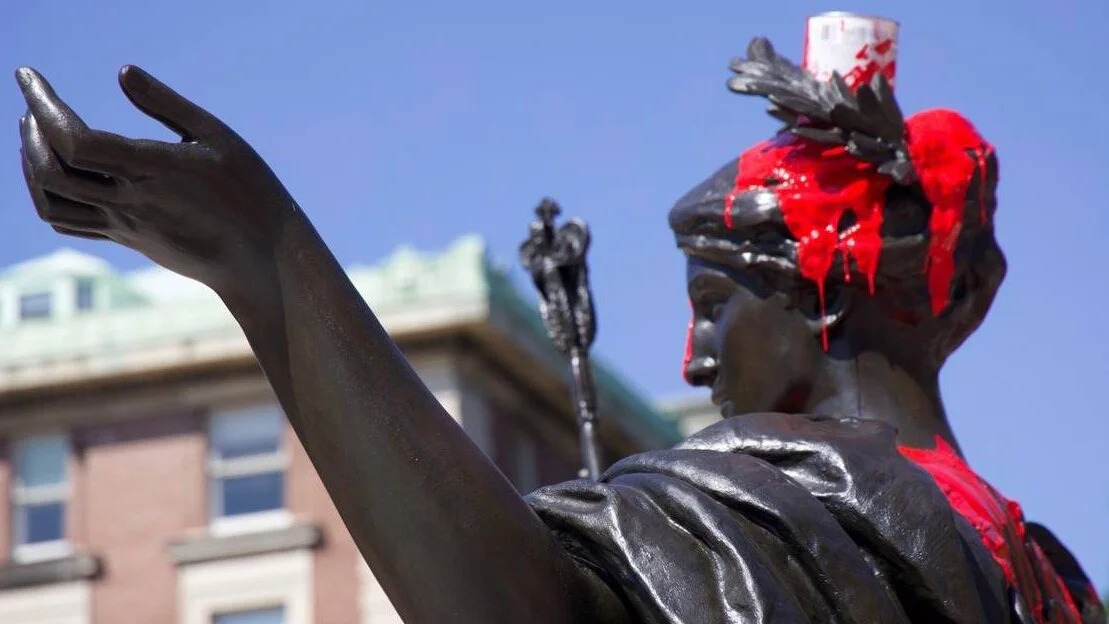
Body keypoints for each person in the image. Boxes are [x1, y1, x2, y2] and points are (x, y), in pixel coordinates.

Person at [13, 35, 1103, 623]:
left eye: (713, 304)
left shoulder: (793, 502)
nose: (694, 357)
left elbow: (510, 606)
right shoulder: (1047, 575)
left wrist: (270, 266)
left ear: (827, 288)